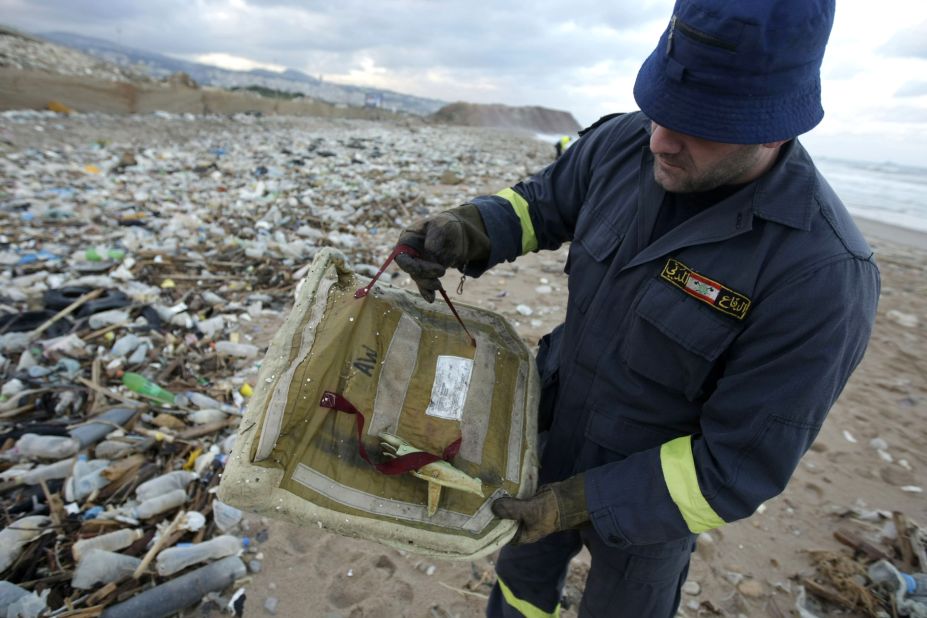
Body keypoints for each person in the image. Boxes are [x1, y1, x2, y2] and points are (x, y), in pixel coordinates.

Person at [395, 0, 880, 616]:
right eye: (660, 109)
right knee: (519, 586)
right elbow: (542, 204)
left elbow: (735, 468)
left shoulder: (823, 277)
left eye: (698, 124)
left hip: (652, 500)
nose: (661, 140)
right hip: (548, 432)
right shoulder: (626, 143)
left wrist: (579, 504)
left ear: (775, 125)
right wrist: (470, 229)